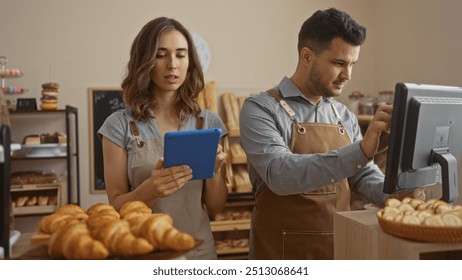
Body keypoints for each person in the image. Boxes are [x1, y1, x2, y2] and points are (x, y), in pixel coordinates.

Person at [239, 8, 393, 260]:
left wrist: (398, 194)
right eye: (339, 63)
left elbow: (363, 175)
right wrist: (362, 150)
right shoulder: (260, 108)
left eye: (352, 64)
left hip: (339, 249)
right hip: (281, 255)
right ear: (307, 56)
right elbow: (280, 173)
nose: (348, 75)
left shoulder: (343, 115)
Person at [98, 17, 228, 260]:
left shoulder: (209, 123)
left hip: (198, 252)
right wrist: (150, 190)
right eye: (161, 55)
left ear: (190, 61)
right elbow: (115, 206)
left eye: (181, 55)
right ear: (144, 62)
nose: (172, 65)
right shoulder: (118, 126)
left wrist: (215, 172)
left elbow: (216, 206)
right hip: (143, 253)